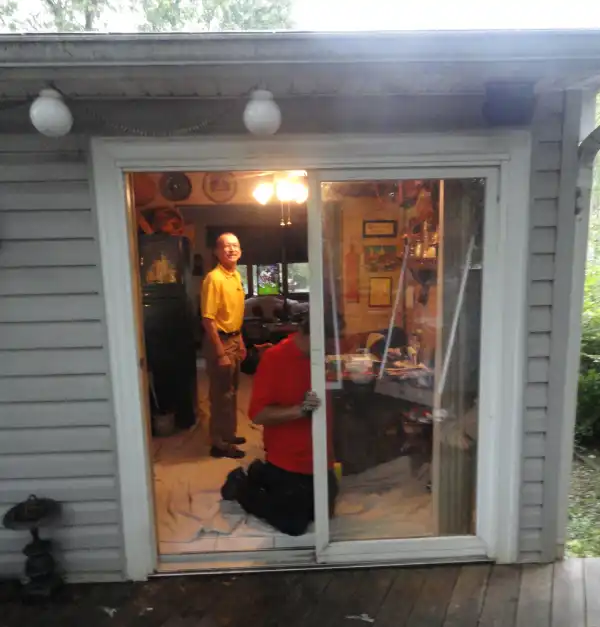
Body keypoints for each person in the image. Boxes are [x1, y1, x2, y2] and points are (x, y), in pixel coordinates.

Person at [220, 315, 339, 536]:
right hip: (289, 459)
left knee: (324, 512)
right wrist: (300, 410)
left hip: (319, 459)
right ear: (308, 334)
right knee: (294, 524)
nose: (329, 350)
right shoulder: (275, 359)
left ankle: (261, 473)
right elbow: (257, 415)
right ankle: (240, 486)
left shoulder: (321, 357)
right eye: (328, 344)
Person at [201, 232, 246, 459]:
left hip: (235, 339)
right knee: (221, 396)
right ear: (217, 252)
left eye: (235, 245)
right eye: (226, 246)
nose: (232, 249)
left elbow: (236, 314)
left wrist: (241, 342)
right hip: (220, 341)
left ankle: (229, 433)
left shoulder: (236, 275)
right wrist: (220, 353)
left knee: (232, 392)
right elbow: (208, 320)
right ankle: (220, 443)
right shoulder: (214, 278)